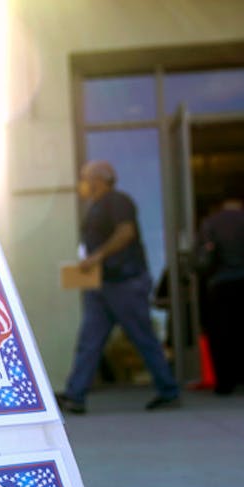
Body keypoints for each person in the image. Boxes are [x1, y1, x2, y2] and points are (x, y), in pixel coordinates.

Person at [57, 160, 181, 414]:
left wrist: (97, 257)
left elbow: (126, 233)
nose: (83, 183)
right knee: (89, 341)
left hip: (125, 282)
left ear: (99, 179)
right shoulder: (96, 207)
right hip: (102, 285)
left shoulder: (118, 201)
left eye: (85, 178)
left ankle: (168, 391)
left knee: (143, 337)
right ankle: (75, 395)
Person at [194, 197, 244, 394]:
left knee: (222, 334)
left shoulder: (210, 223)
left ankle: (225, 383)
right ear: (241, 203)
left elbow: (201, 255)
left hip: (220, 283)